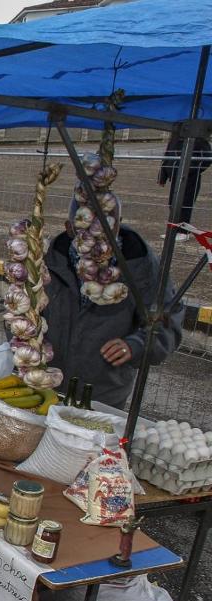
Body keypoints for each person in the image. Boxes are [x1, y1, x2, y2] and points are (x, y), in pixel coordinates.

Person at [44, 197, 185, 410]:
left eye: (106, 228)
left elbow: (168, 321)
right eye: (85, 229)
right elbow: (22, 312)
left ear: (119, 223)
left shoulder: (140, 265)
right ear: (69, 227)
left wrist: (136, 345)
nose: (96, 239)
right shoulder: (51, 259)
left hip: (102, 395)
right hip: (45, 386)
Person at [158, 132, 212, 241]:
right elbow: (167, 156)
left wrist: (188, 170)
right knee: (173, 204)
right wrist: (162, 175)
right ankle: (173, 231)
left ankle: (183, 232)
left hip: (189, 179)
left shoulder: (198, 139)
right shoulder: (175, 138)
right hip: (175, 177)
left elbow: (206, 158)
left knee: (185, 204)